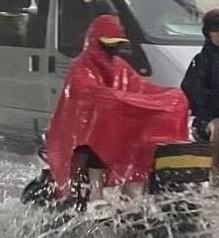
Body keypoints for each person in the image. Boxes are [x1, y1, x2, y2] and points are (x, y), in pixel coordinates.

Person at [45, 14, 189, 209]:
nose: (113, 48)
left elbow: (139, 86)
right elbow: (87, 92)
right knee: (98, 141)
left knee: (140, 143)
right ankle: (96, 195)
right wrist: (115, 100)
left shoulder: (119, 66)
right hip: (82, 133)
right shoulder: (80, 66)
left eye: (117, 43)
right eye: (108, 43)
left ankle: (131, 197)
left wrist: (170, 97)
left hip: (112, 127)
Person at [181, 8, 219, 184]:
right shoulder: (201, 60)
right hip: (208, 118)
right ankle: (214, 175)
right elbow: (192, 94)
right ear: (207, 33)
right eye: (216, 31)